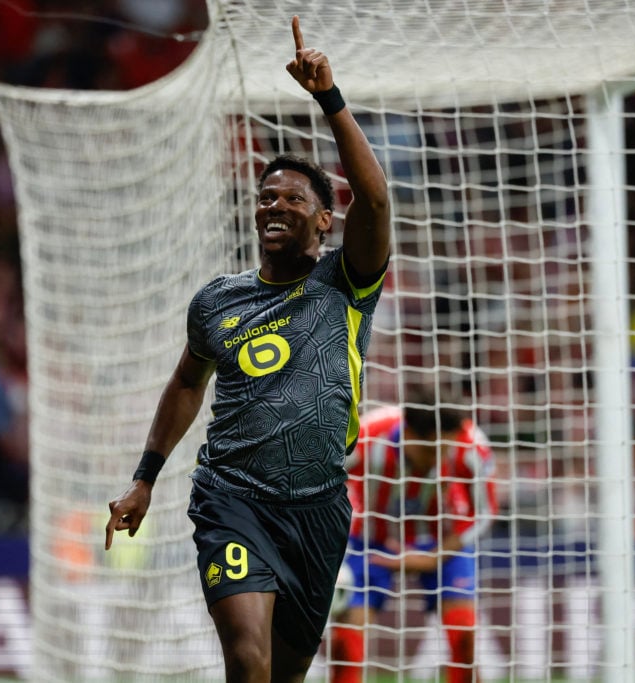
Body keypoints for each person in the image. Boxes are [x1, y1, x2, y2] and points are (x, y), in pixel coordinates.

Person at [105, 14, 391, 683]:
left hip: (319, 507)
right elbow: (184, 384)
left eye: (294, 196)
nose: (274, 204)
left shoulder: (345, 283)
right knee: (246, 653)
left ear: (325, 218)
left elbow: (375, 204)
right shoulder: (218, 302)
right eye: (266, 196)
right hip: (232, 497)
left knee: (281, 673)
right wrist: (145, 478)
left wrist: (330, 99)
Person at [330, 400, 497, 683]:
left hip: (442, 539)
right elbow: (325, 481)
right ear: (407, 435)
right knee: (346, 642)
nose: (438, 459)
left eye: (444, 450)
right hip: (370, 538)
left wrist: (435, 557)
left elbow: (484, 512)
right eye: (429, 450)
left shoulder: (471, 445)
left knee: (464, 636)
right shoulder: (369, 435)